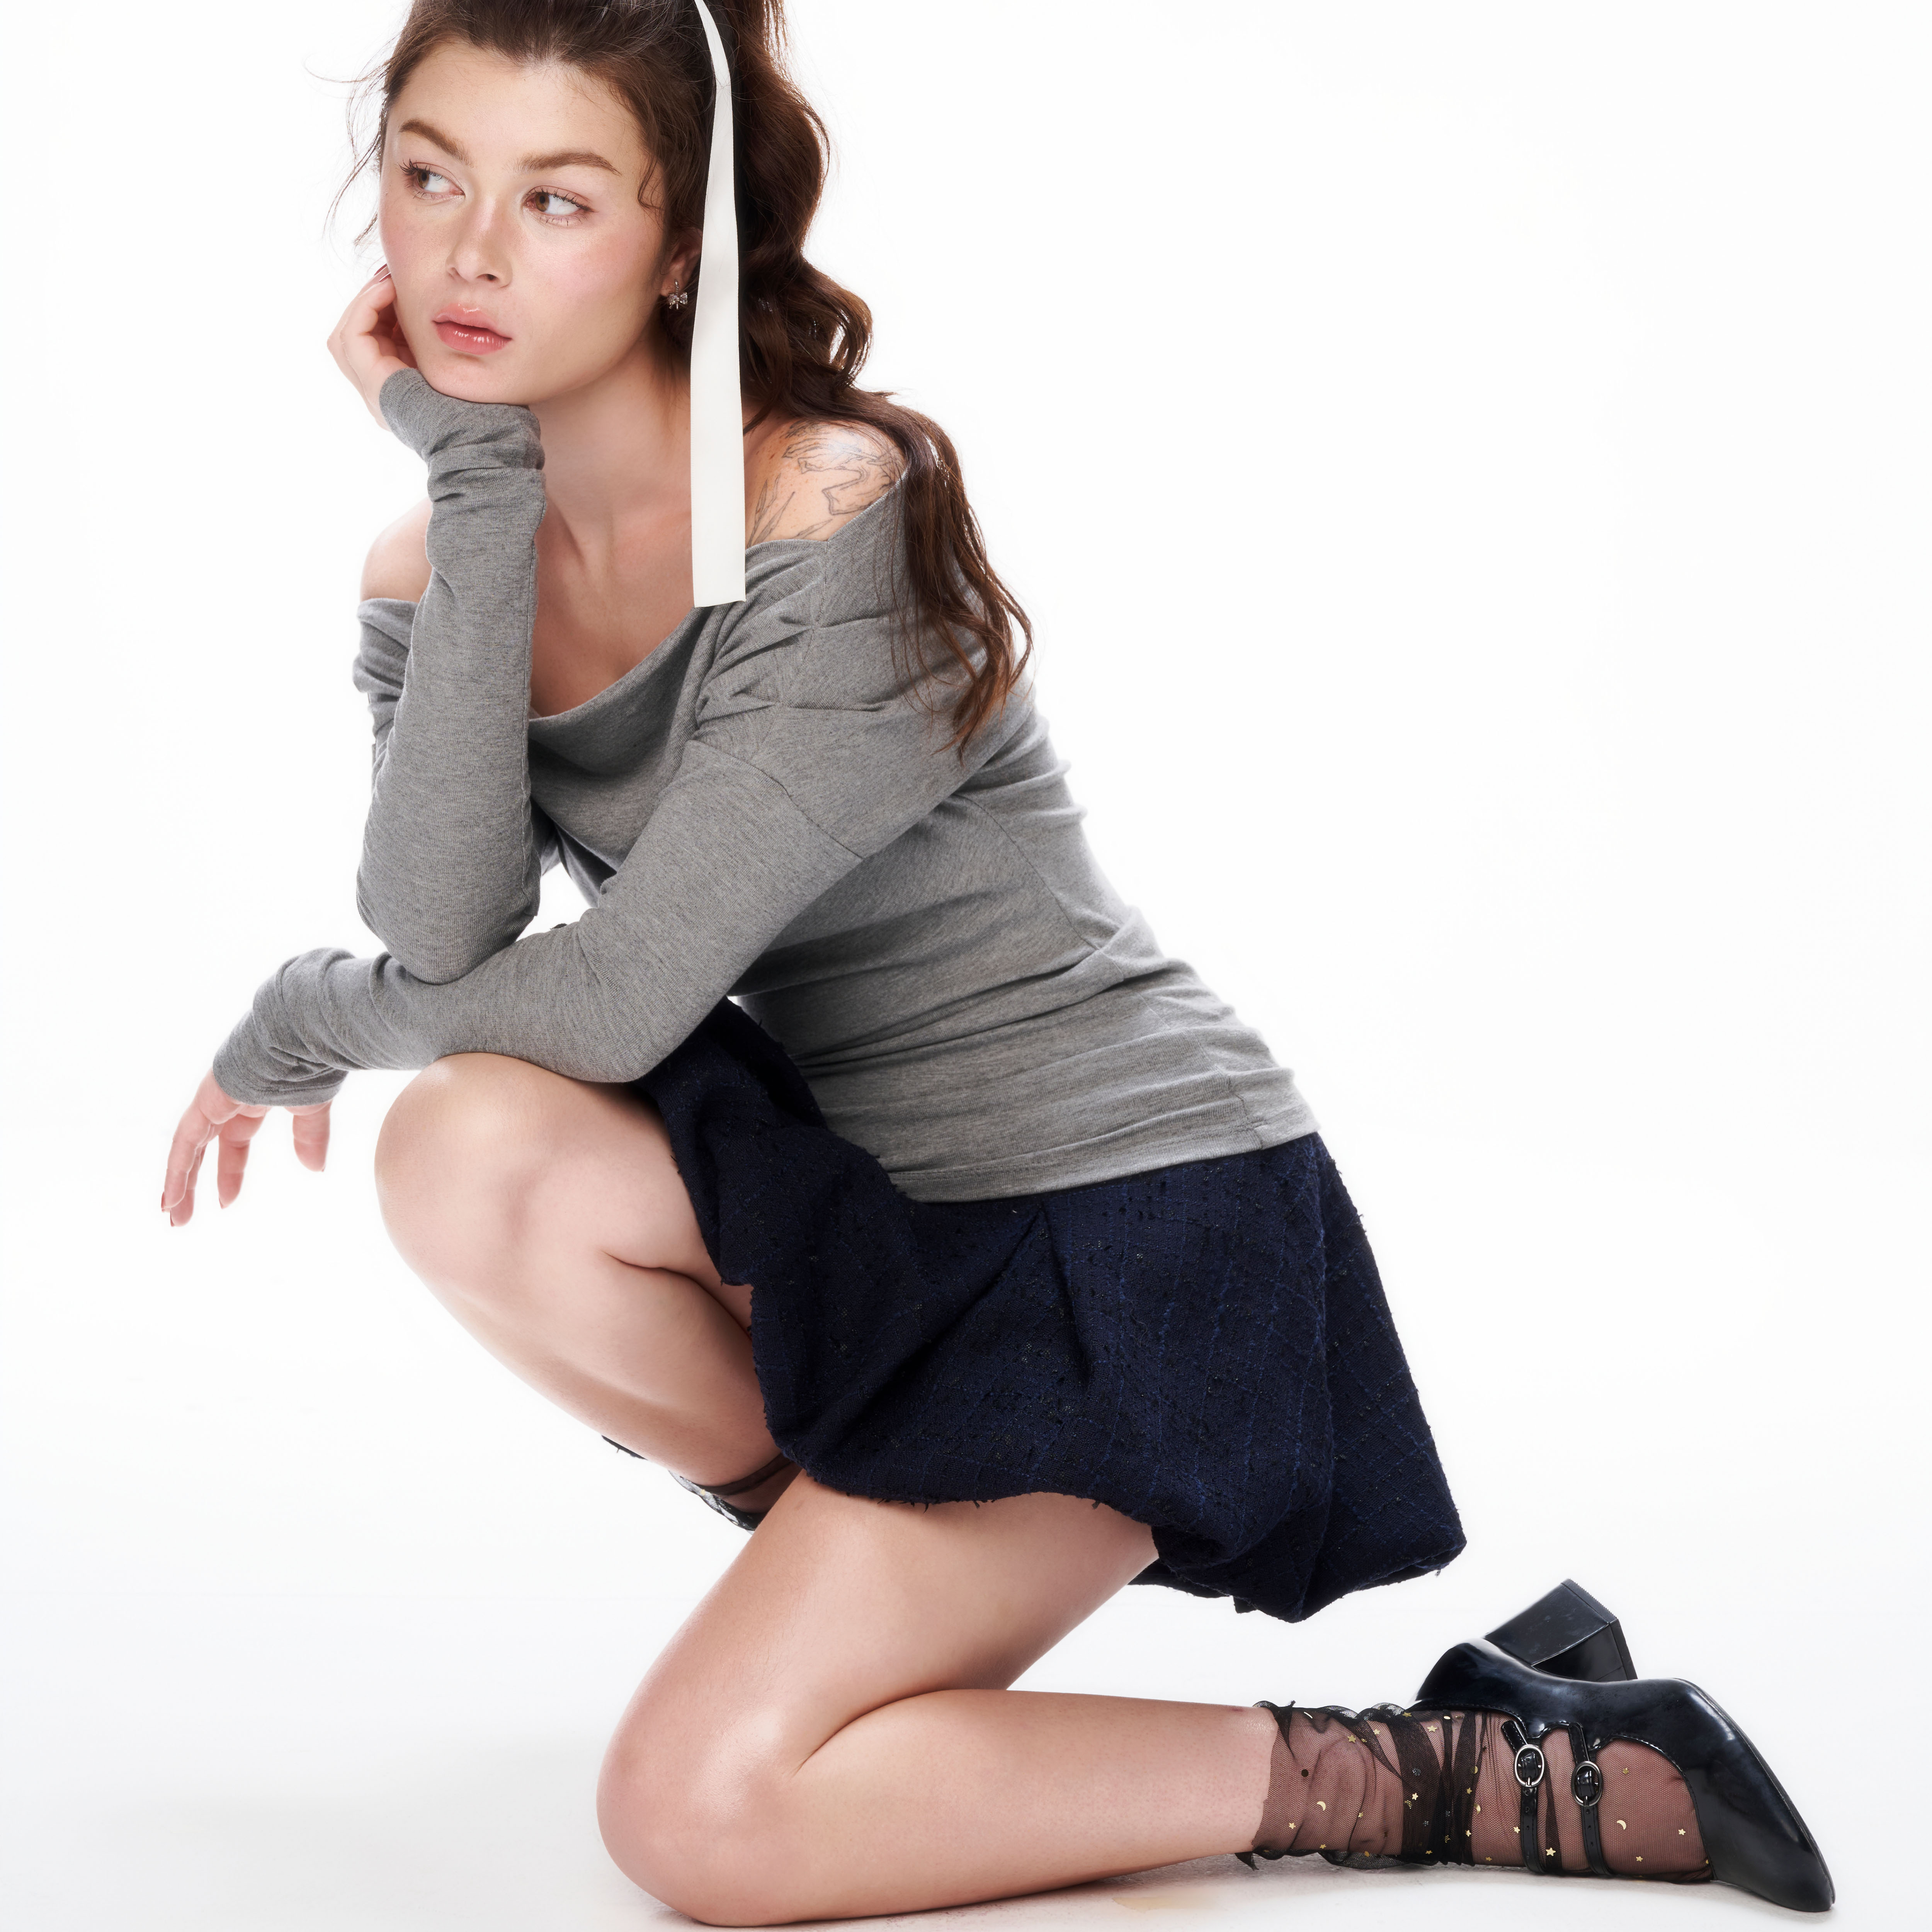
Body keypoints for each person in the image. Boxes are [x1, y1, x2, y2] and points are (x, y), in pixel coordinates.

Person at [158, 2, 1831, 1920]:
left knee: (700, 1817)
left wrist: (303, 1016)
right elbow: (450, 935)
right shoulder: (437, 553)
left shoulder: (826, 501)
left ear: (680, 239)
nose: (467, 252)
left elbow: (612, 999)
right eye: (430, 174)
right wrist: (475, 493)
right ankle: (860, 1595)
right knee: (463, 1143)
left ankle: (1478, 1764)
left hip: (1120, 1222)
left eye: (556, 199)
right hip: (878, 1222)